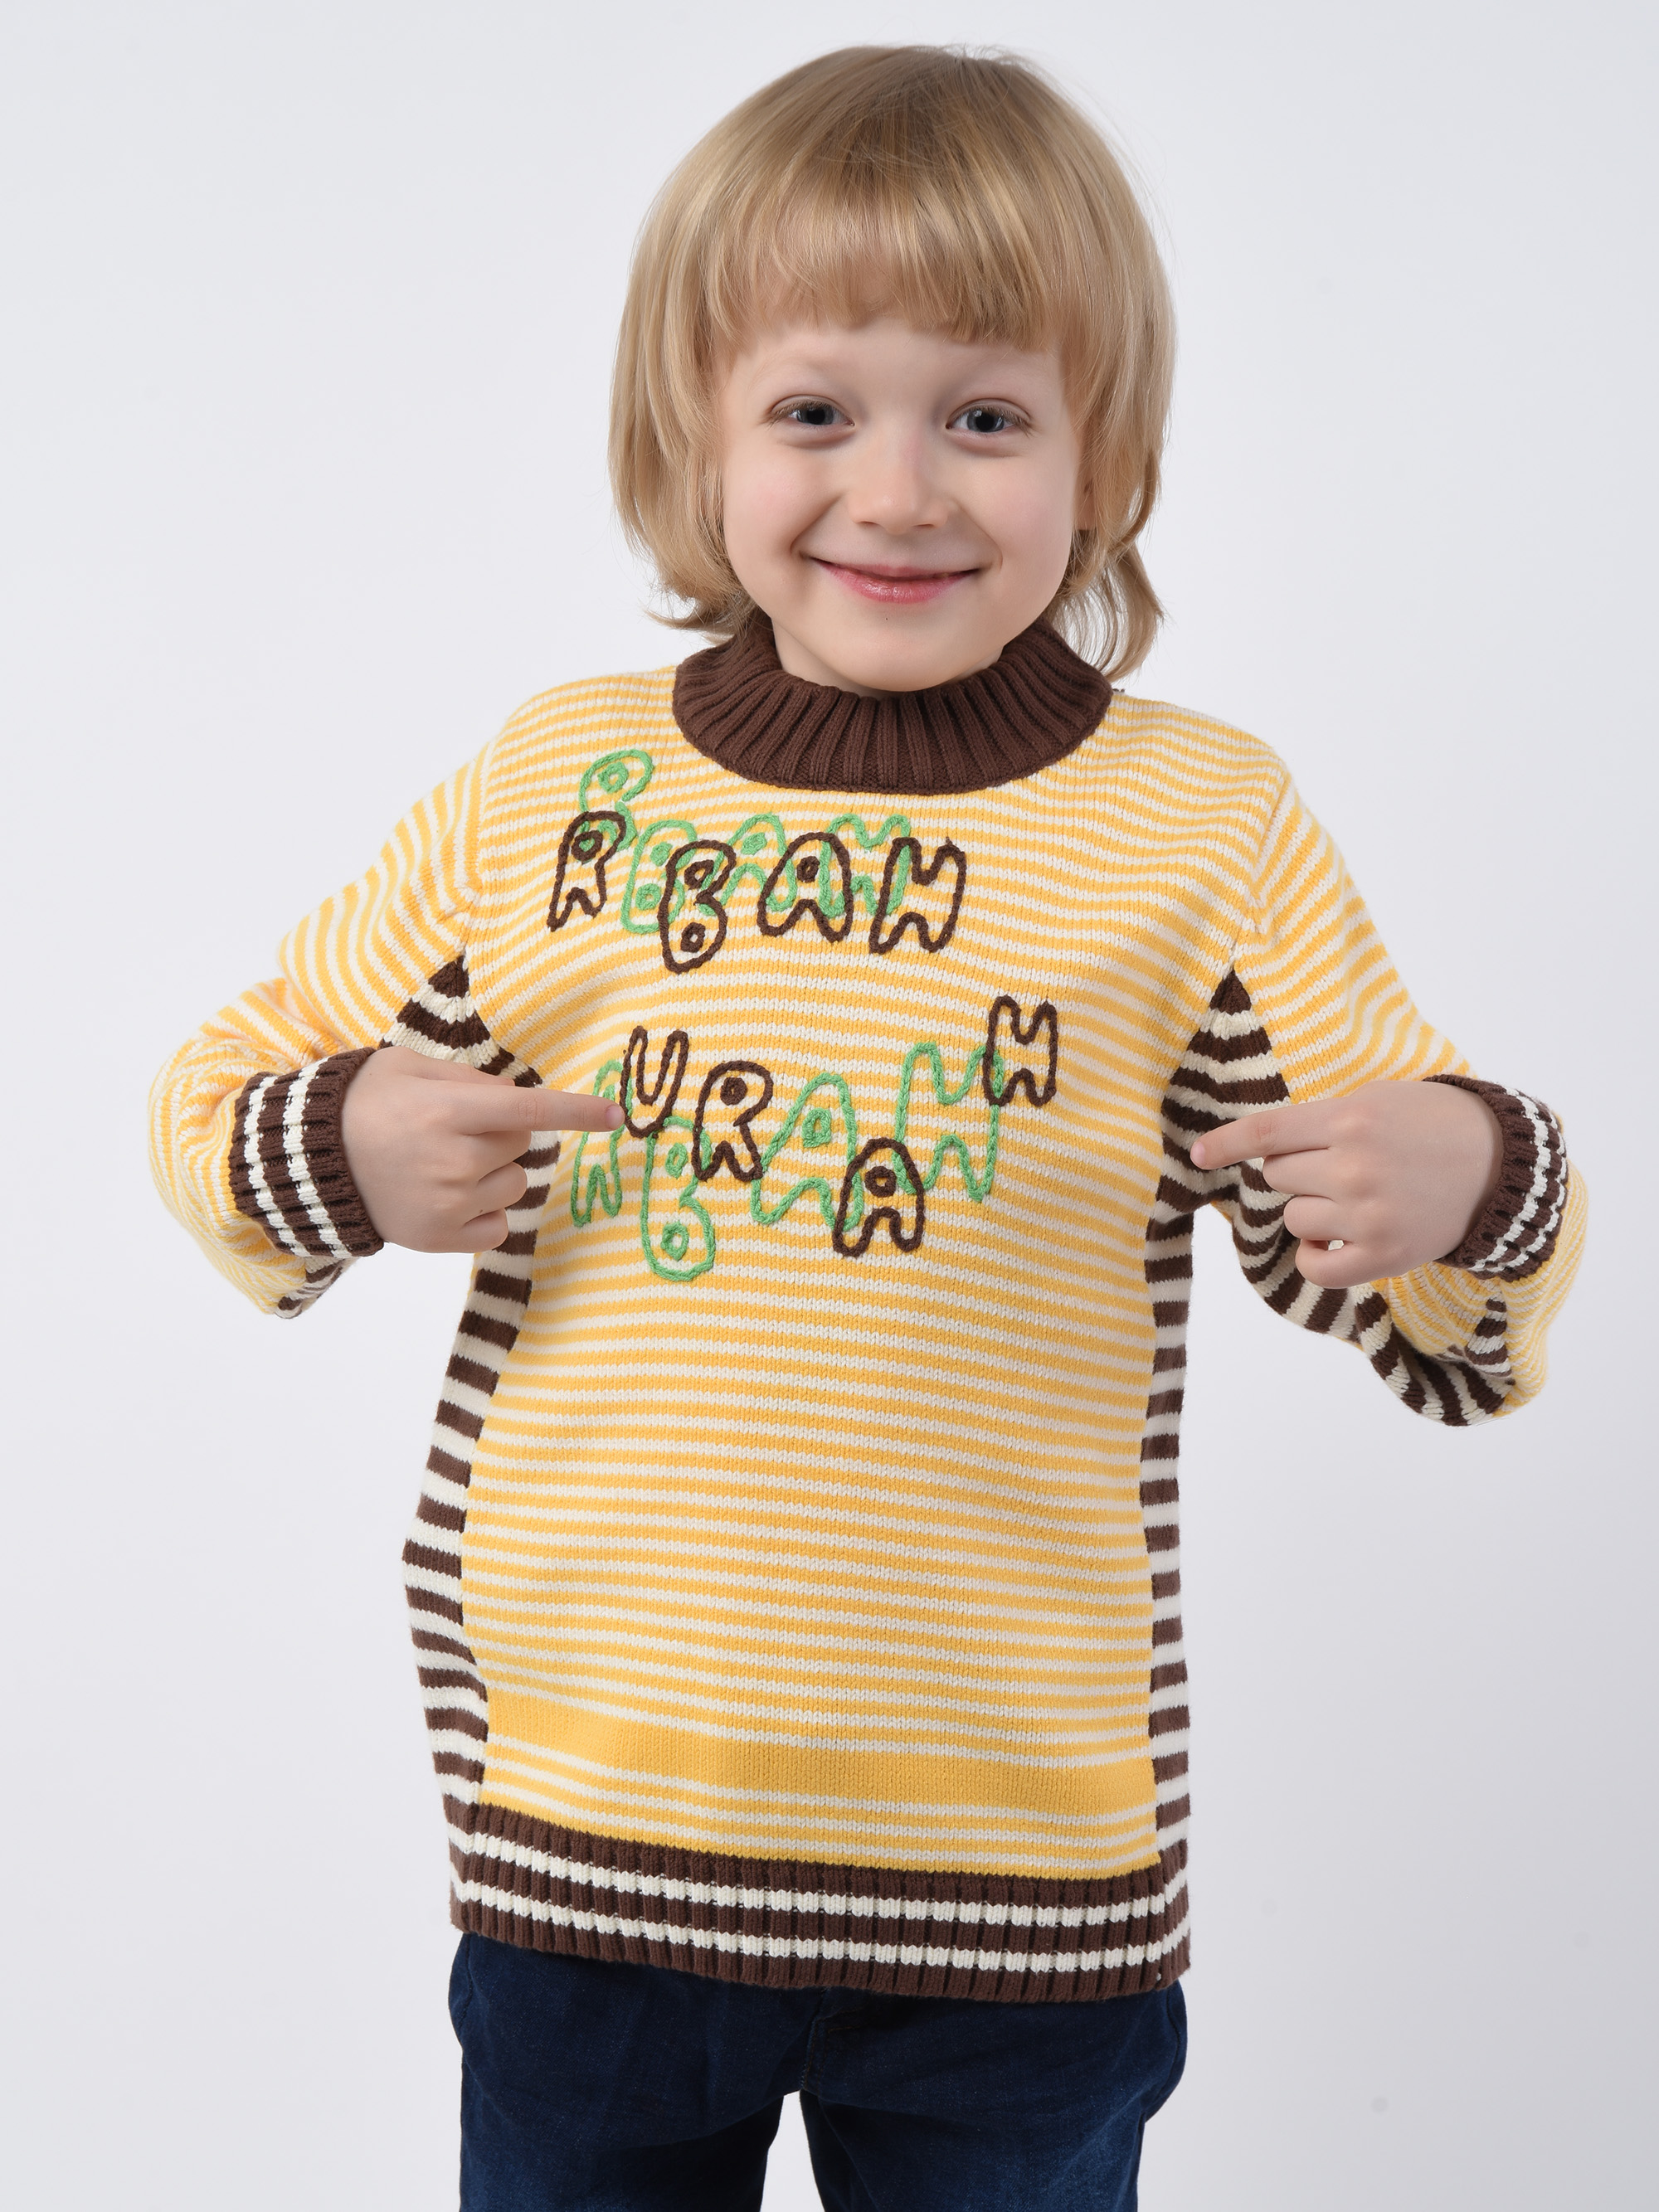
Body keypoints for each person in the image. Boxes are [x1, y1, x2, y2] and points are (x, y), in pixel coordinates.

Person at [148, 44, 1584, 2212]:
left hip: (1023, 1894)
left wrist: (1471, 1173)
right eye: (817, 410)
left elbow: (1435, 1322)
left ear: (1105, 456)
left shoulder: (1202, 831)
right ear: (692, 439)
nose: (898, 492)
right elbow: (212, 1101)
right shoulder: (556, 794)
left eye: (985, 416)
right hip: (592, 1853)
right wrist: (339, 1141)